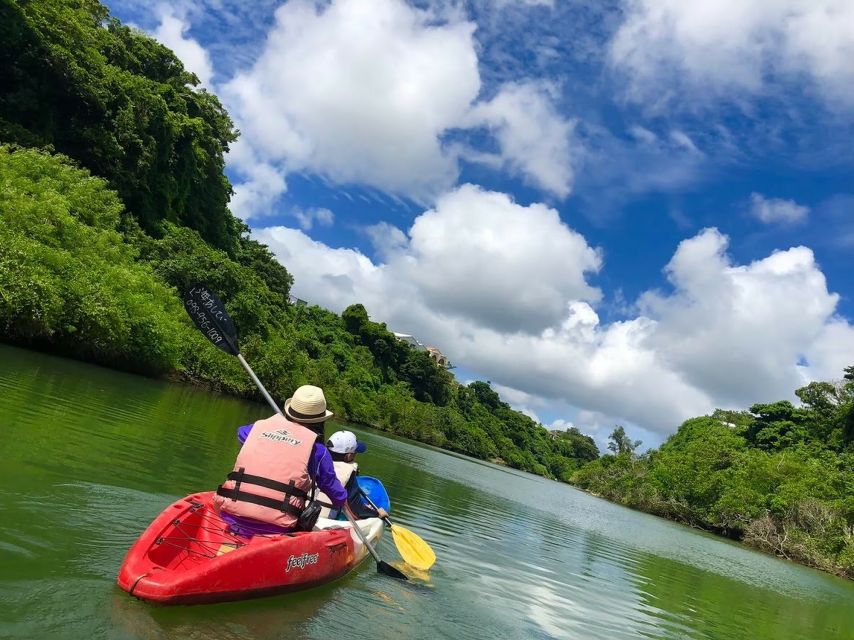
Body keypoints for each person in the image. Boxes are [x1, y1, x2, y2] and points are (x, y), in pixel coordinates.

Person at [214, 385, 350, 536]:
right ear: (320, 421)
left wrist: (275, 430)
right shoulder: (318, 451)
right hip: (277, 527)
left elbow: (241, 433)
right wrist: (343, 500)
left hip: (230, 514)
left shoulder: (256, 429)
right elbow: (334, 491)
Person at [315, 430, 388, 520]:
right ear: (349, 456)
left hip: (305, 513)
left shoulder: (315, 457)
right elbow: (356, 511)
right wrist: (377, 513)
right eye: (355, 453)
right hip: (324, 521)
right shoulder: (348, 471)